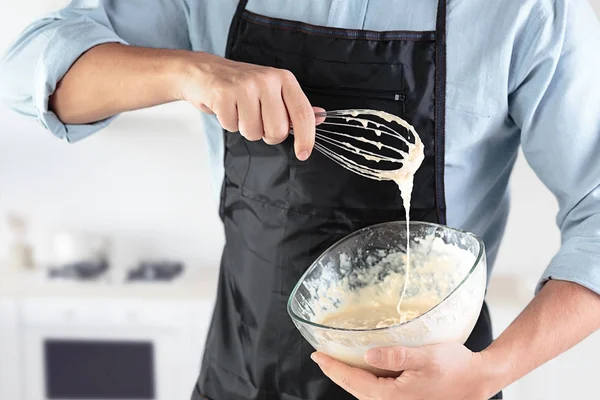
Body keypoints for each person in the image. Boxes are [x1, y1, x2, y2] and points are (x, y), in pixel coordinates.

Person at [1, 0, 599, 399]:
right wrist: (190, 71)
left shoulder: (526, 11)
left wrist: (487, 374)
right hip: (240, 375)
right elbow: (33, 67)